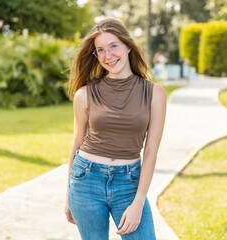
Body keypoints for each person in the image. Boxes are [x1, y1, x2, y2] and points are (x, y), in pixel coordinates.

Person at [64, 18, 166, 240]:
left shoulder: (155, 93)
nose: (108, 56)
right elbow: (77, 143)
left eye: (113, 46)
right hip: (85, 180)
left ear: (128, 46)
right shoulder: (84, 95)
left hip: (128, 183)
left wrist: (139, 201)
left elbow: (150, 152)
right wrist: (68, 194)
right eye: (100, 50)